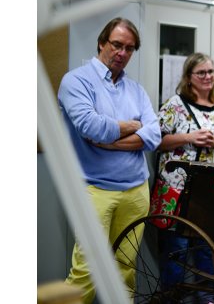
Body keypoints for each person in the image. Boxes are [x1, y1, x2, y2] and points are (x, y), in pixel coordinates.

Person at [58, 17, 161, 303]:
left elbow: (155, 135)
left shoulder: (136, 90)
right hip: (94, 189)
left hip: (136, 190)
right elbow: (91, 128)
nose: (122, 53)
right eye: (117, 45)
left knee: (125, 269)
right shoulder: (75, 81)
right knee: (86, 270)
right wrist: (133, 125)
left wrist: (112, 139)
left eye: (129, 48)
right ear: (102, 43)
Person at [154, 52, 214, 296]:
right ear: (189, 77)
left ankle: (208, 300)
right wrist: (189, 137)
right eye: (201, 72)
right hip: (178, 191)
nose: (207, 77)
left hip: (212, 191)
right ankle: (171, 299)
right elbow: (156, 140)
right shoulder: (175, 104)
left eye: (211, 72)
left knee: (207, 250)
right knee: (177, 250)